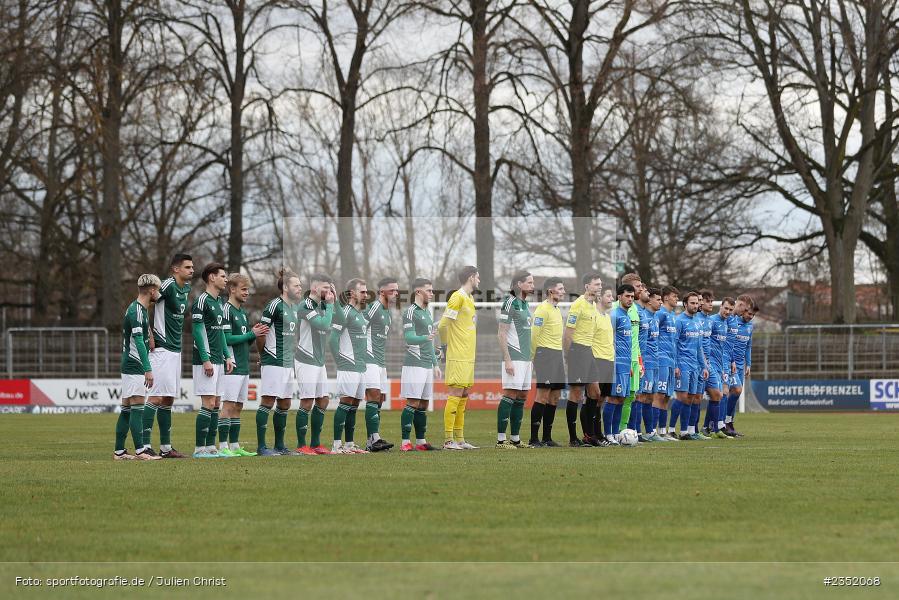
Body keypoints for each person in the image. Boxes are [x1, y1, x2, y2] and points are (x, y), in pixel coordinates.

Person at [143, 253, 193, 458]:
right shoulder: (167, 286)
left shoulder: (186, 288)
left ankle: (165, 448)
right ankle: (144, 446)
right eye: (187, 267)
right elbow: (144, 301)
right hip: (161, 349)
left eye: (192, 267)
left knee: (169, 399)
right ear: (176, 269)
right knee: (155, 397)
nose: (191, 270)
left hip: (175, 350)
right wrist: (148, 332)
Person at [219, 273, 268, 456]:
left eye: (248, 289)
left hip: (243, 366)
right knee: (228, 405)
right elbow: (226, 339)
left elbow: (245, 340)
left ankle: (234, 446)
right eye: (244, 289)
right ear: (232, 289)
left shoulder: (241, 312)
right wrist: (251, 334)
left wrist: (255, 335)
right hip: (231, 366)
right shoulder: (227, 310)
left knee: (238, 407)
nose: (247, 293)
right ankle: (223, 447)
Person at [115, 274, 162, 461]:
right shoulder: (136, 312)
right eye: (157, 290)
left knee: (126, 408)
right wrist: (147, 368)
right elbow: (138, 343)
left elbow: (142, 334)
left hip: (131, 363)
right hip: (134, 364)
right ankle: (141, 451)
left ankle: (119, 451)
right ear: (151, 290)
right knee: (137, 406)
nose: (158, 293)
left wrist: (149, 333)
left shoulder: (139, 309)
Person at [191, 263, 235, 458]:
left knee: (216, 402)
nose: (226, 280)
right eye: (223, 276)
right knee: (208, 402)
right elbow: (198, 331)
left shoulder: (220, 303)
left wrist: (227, 356)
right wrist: (205, 359)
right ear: (211, 278)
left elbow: (222, 334)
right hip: (206, 360)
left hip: (218, 358)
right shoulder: (201, 301)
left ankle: (210, 447)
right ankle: (199, 449)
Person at [256, 269, 301, 456]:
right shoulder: (274, 305)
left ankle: (280, 446)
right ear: (285, 288)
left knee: (285, 403)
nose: (300, 288)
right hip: (273, 360)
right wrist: (263, 354)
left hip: (287, 362)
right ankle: (261, 447)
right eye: (296, 285)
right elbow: (260, 332)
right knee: (268, 401)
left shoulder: (294, 308)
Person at [438, 265, 480, 450]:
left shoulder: (470, 298)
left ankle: (460, 439)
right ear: (471, 277)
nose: (479, 280)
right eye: (477, 277)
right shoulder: (458, 297)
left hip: (468, 355)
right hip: (457, 355)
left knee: (463, 395)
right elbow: (442, 325)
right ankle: (448, 441)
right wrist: (445, 347)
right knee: (455, 394)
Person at [294, 273, 337, 454]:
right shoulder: (305, 305)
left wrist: (332, 303)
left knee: (323, 400)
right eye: (325, 288)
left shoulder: (322, 306)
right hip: (306, 359)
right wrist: (330, 305)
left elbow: (337, 320)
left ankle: (316, 443)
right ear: (314, 288)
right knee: (307, 401)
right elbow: (323, 325)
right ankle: (302, 445)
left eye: (330, 288)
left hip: (319, 361)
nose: (328, 291)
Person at [329, 279, 372, 454]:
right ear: (352, 293)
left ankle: (349, 444)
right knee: (345, 403)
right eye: (362, 292)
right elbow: (332, 339)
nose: (366, 295)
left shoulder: (360, 314)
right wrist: (340, 361)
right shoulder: (344, 313)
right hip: (348, 364)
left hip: (360, 367)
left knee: (354, 404)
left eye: (366, 291)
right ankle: (336, 445)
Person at [400, 278, 441, 451]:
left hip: (426, 364)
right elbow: (409, 338)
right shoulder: (410, 312)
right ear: (418, 292)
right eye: (429, 290)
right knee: (413, 402)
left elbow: (429, 342)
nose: (432, 293)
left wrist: (435, 364)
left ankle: (421, 442)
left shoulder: (427, 313)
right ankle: (405, 442)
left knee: (423, 404)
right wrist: (426, 337)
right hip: (414, 363)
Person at [496, 271, 534, 449]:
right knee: (510, 394)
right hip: (514, 356)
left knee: (522, 396)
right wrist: (507, 359)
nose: (533, 285)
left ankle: (516, 439)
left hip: (526, 358)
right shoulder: (509, 302)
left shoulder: (525, 304)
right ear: (519, 284)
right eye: (529, 282)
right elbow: (502, 332)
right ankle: (501, 440)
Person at [563, 273, 602, 447]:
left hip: (589, 352)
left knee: (595, 393)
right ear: (587, 286)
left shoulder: (593, 305)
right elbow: (568, 333)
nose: (599, 287)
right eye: (596, 284)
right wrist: (568, 355)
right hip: (577, 351)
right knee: (576, 394)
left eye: (600, 284)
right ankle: (573, 438)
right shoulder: (578, 304)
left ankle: (589, 434)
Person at [529, 277, 566, 447]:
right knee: (543, 395)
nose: (563, 291)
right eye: (560, 288)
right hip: (544, 354)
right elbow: (534, 334)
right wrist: (532, 356)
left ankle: (547, 437)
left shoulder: (556, 309)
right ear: (551, 291)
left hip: (557, 355)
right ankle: (534, 438)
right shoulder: (542, 309)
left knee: (555, 396)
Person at [362, 277, 398, 452]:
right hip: (369, 358)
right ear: (382, 292)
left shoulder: (387, 312)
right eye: (392, 290)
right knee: (374, 395)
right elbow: (359, 327)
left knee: (380, 400)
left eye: (397, 290)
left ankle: (373, 439)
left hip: (380, 361)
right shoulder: (374, 307)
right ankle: (374, 439)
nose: (396, 293)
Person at [604, 284, 637, 445]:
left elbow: (626, 342)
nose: (630, 299)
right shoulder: (614, 315)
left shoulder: (627, 315)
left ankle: (616, 434)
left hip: (625, 364)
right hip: (616, 363)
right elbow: (609, 340)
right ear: (619, 297)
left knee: (621, 399)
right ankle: (608, 434)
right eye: (627, 296)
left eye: (632, 297)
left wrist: (629, 364)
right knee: (612, 398)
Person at [673, 291, 707, 441]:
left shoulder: (698, 322)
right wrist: (676, 365)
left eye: (696, 303)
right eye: (692, 303)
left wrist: (704, 366)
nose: (695, 305)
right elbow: (673, 344)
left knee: (692, 398)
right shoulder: (679, 321)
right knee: (682, 397)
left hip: (695, 366)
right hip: (683, 364)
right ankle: (671, 430)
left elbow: (699, 348)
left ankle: (686, 431)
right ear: (685, 304)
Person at [584, 288, 614, 446]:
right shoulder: (593, 315)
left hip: (609, 361)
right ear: (599, 298)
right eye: (608, 296)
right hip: (596, 360)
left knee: (601, 399)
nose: (611, 298)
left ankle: (598, 432)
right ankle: (589, 435)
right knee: (592, 398)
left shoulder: (607, 317)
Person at [613, 273, 643, 430]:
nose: (641, 289)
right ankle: (615, 431)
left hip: (634, 360)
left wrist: (639, 360)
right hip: (621, 360)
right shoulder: (615, 310)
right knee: (617, 397)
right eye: (638, 286)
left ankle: (625, 430)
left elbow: (635, 338)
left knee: (631, 396)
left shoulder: (635, 309)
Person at [702, 295, 734, 439]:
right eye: (726, 308)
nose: (727, 311)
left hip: (720, 364)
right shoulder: (712, 321)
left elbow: (722, 347)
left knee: (721, 394)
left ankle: (710, 426)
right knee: (719, 394)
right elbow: (705, 342)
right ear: (720, 306)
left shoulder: (726, 323)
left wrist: (726, 364)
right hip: (710, 363)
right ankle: (715, 426)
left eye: (730, 310)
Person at [726, 297, 756, 437]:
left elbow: (748, 346)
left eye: (753, 315)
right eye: (749, 313)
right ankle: (723, 422)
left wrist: (748, 364)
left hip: (740, 365)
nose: (750, 317)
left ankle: (729, 424)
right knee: (733, 391)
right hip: (728, 363)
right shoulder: (732, 322)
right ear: (743, 310)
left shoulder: (750, 326)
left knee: (736, 394)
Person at [656, 286, 680, 440]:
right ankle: (653, 431)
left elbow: (673, 342)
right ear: (665, 298)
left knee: (666, 397)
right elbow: (652, 335)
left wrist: (676, 363)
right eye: (674, 296)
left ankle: (663, 431)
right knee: (659, 395)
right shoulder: (660, 314)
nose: (676, 299)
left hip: (671, 361)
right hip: (661, 360)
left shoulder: (672, 315)